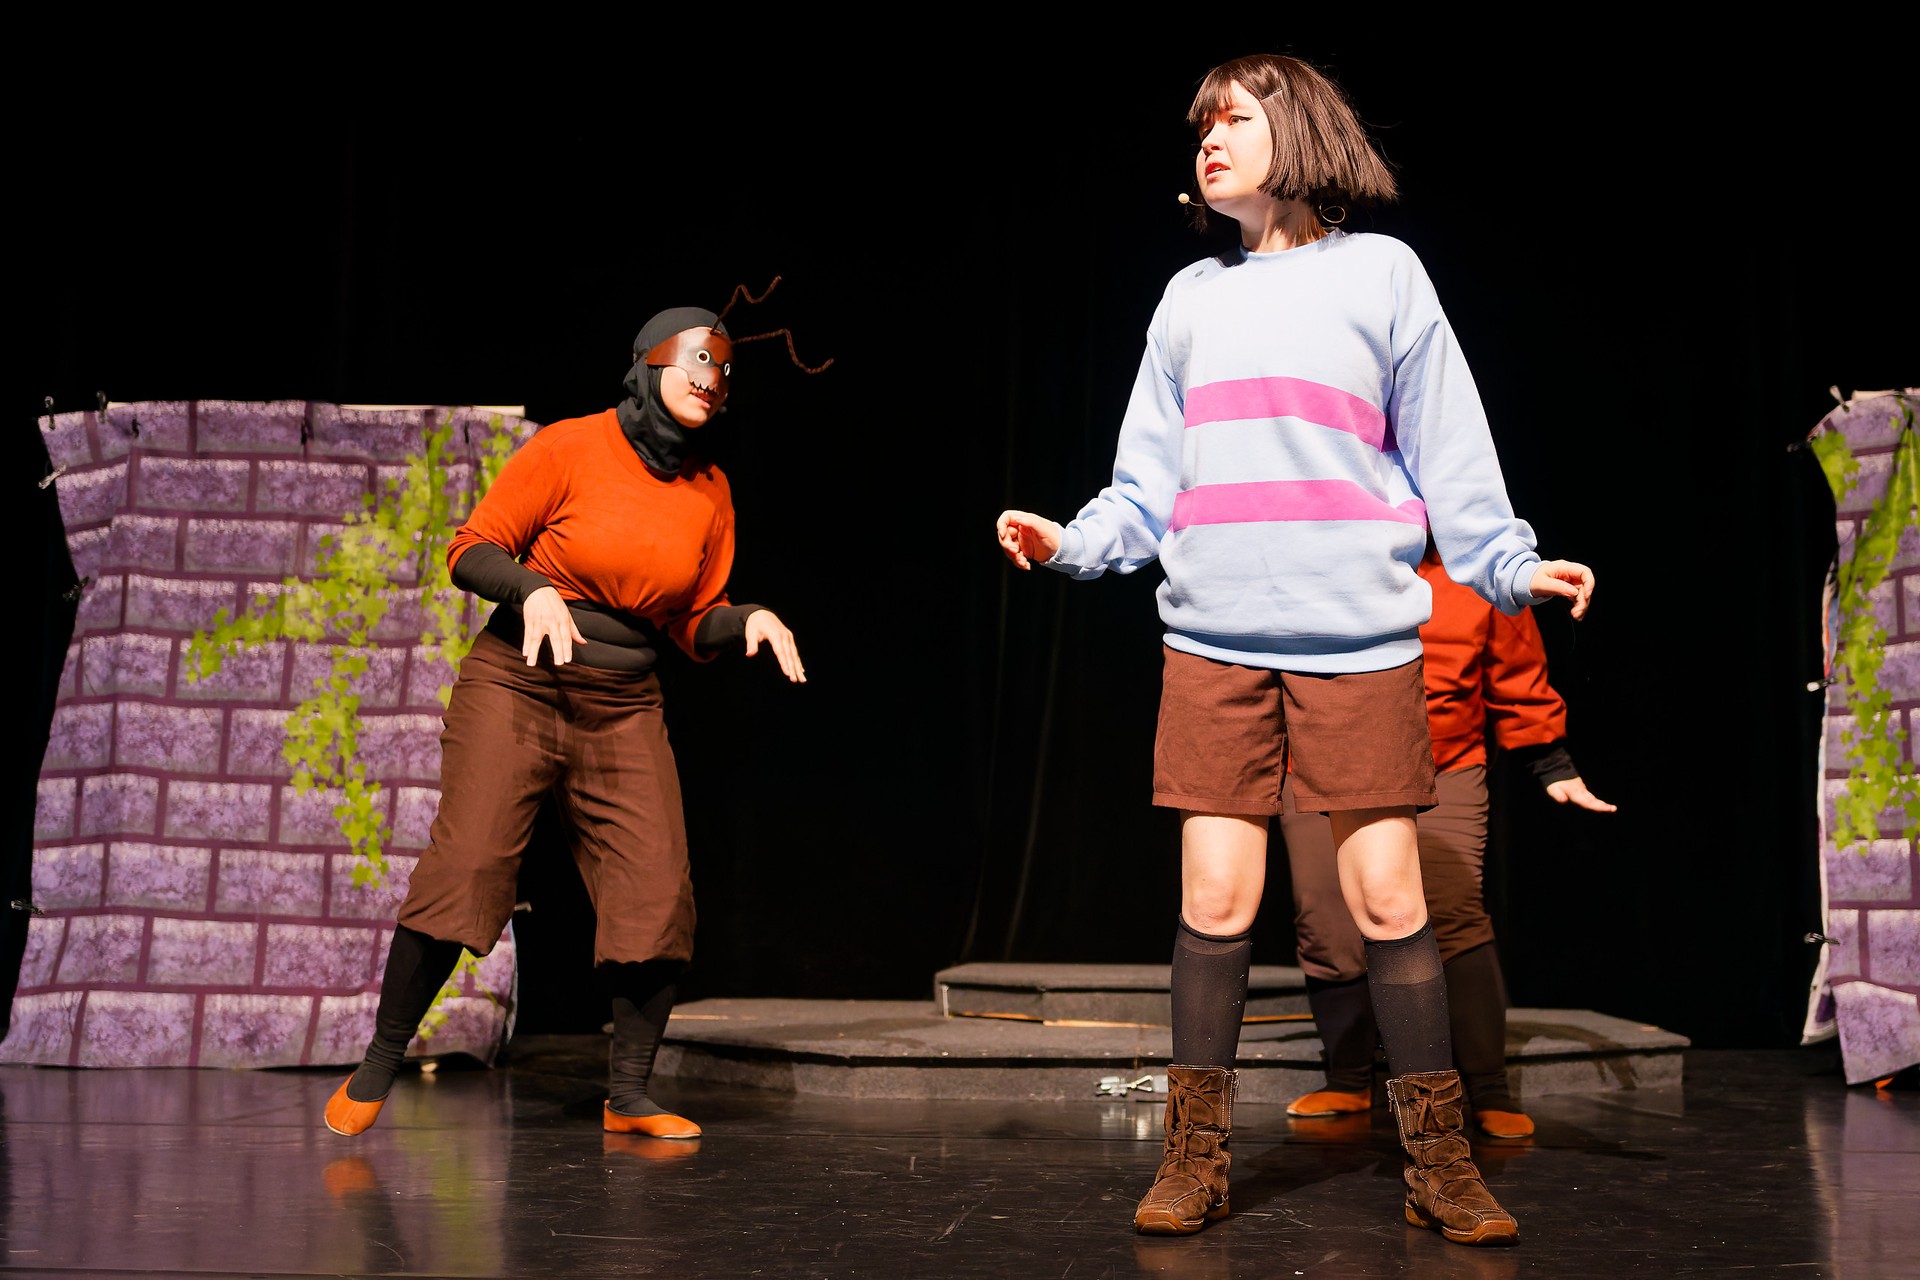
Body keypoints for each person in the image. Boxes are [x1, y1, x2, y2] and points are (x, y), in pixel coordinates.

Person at [995, 53, 1593, 1247]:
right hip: (1213, 643)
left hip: (1357, 641)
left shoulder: (1383, 273)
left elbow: (1452, 452)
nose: (1209, 139)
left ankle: (1440, 1162)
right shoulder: (1188, 300)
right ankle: (1194, 1157)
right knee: (1215, 897)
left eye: (1234, 117)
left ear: (1302, 131)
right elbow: (1143, 486)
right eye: (1200, 125)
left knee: (1388, 894)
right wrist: (1073, 541)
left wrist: (1508, 562)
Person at [325, 303, 807, 1143]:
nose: (711, 377)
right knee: (469, 867)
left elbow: (694, 620)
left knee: (656, 891)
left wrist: (747, 620)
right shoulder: (570, 447)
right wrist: (534, 588)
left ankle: (629, 1095)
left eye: (724, 368)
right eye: (696, 359)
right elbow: (472, 547)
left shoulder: (710, 490)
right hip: (518, 682)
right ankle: (379, 1061)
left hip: (623, 704)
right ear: (650, 364)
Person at [1282, 536, 1616, 1139]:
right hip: (1323, 761)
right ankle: (1349, 1079)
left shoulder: (1475, 571)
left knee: (1453, 912)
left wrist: (1551, 763)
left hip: (1444, 762)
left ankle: (1487, 1087)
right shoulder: (1317, 556)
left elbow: (1516, 672)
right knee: (1327, 920)